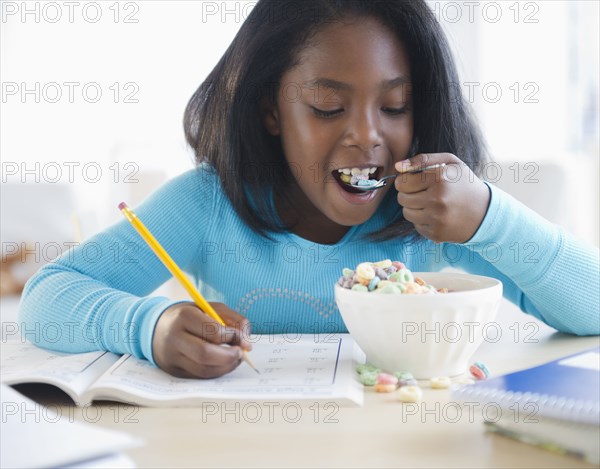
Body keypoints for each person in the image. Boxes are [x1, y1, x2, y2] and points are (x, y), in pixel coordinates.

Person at [20, 0, 599, 379]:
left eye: (395, 106)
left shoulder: (439, 219)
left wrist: (489, 218)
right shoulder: (207, 204)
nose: (368, 136)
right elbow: (47, 297)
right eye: (328, 107)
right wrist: (149, 327)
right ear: (272, 110)